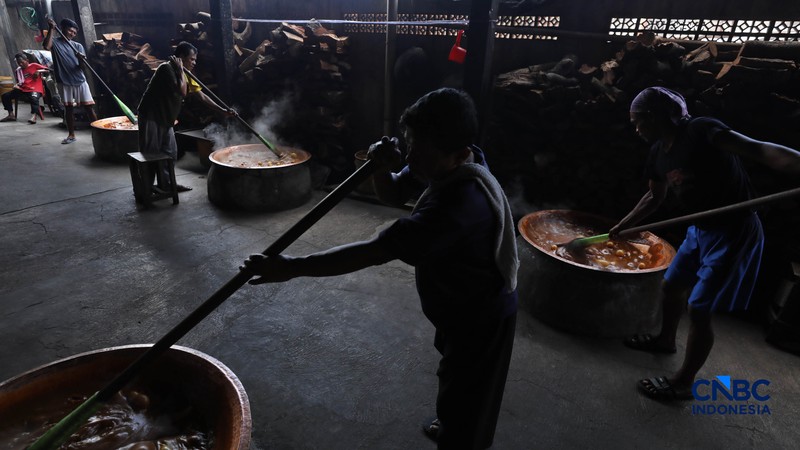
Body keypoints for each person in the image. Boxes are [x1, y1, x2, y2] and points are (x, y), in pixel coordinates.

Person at [242, 88, 519, 449]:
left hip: (483, 315)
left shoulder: (457, 208)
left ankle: (460, 436)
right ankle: (452, 421)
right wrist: (379, 166)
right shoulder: (451, 159)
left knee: (471, 397)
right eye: (409, 145)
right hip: (456, 301)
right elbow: (393, 194)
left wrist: (292, 266)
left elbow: (373, 251)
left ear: (459, 155)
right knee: (454, 376)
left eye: (419, 151)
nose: (411, 157)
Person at [613, 86, 800, 401]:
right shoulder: (658, 152)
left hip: (734, 231)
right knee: (672, 286)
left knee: (699, 308)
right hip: (700, 230)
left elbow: (761, 150)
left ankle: (684, 382)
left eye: (637, 122)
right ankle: (665, 340)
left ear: (653, 116)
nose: (636, 129)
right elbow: (654, 196)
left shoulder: (700, 131)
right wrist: (622, 226)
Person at [137, 41, 236, 193]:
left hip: (166, 118)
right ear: (181, 57)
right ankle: (147, 187)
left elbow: (201, 96)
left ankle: (167, 184)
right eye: (191, 59)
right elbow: (182, 91)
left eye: (195, 60)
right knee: (150, 154)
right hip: (152, 116)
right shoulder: (166, 68)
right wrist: (180, 70)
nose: (194, 63)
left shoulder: (184, 72)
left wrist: (222, 110)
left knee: (170, 153)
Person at [43, 18, 98, 144]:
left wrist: (80, 59)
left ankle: (98, 131)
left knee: (89, 107)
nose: (72, 34)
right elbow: (46, 46)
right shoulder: (55, 43)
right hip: (64, 80)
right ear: (63, 29)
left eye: (74, 32)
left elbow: (82, 67)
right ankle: (71, 135)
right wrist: (51, 28)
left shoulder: (78, 46)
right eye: (70, 30)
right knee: (68, 109)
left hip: (80, 79)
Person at [1, 53, 48, 124]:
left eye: (22, 62)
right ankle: (11, 115)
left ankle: (34, 116)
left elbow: (47, 69)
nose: (20, 64)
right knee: (5, 96)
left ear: (27, 60)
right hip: (23, 89)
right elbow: (19, 82)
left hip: (35, 88)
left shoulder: (34, 65)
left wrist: (38, 71)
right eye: (18, 63)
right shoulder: (18, 70)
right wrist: (16, 86)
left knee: (33, 97)